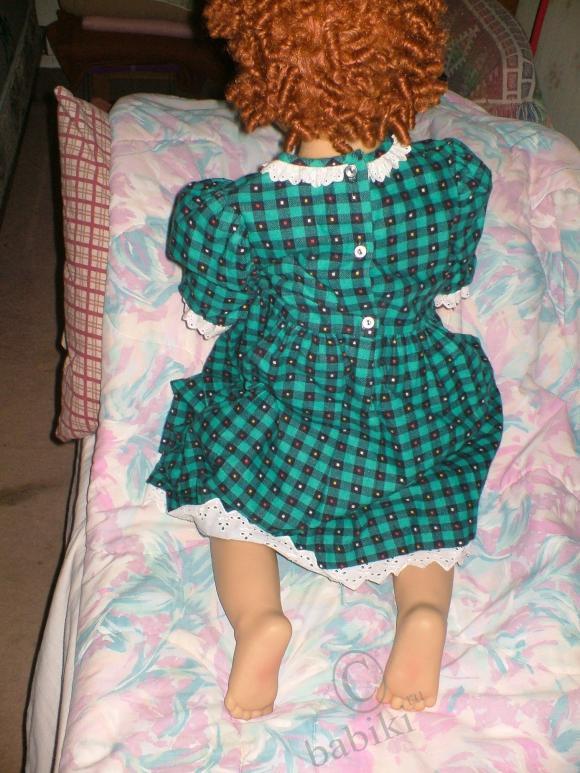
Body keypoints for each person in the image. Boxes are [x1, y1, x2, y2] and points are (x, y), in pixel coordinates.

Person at [148, 0, 503, 720]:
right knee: (428, 503)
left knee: (227, 490)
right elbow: (449, 283)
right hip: (415, 398)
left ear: (267, 71)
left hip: (290, 407)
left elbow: (216, 307)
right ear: (411, 57)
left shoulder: (236, 213)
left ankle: (261, 621)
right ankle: (423, 612)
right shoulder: (450, 179)